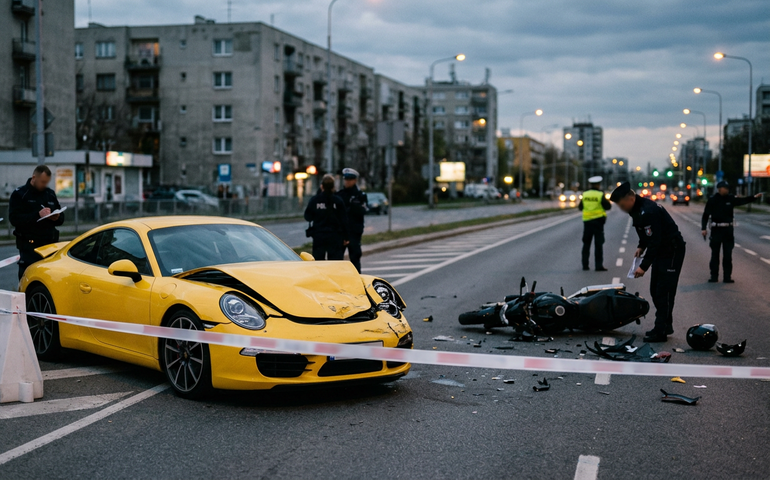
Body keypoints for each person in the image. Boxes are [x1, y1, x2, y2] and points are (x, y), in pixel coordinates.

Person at [610, 181, 685, 342]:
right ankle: (666, 325)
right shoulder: (636, 209)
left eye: (622, 205)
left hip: (672, 251)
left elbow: (655, 241)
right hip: (661, 251)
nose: (622, 209)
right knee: (655, 290)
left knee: (663, 292)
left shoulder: (648, 211)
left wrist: (643, 267)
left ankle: (660, 331)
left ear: (630, 198)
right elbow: (646, 233)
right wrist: (641, 246)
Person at [9, 165, 65, 279]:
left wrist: (56, 217)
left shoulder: (49, 193)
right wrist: (37, 215)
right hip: (29, 246)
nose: (44, 185)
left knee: (49, 278)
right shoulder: (20, 194)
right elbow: (14, 219)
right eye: (42, 182)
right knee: (29, 277)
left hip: (49, 244)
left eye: (46, 182)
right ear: (34, 178)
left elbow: (61, 217)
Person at [701, 181, 762, 283]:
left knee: (728, 255)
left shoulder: (730, 198)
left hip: (728, 231)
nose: (727, 189)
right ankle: (714, 276)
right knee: (715, 254)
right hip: (716, 230)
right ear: (720, 188)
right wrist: (703, 228)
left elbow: (742, 201)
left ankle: (727, 277)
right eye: (725, 188)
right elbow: (705, 215)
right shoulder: (712, 200)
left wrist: (754, 197)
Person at [304, 174, 349, 261]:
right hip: (335, 235)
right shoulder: (338, 201)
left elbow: (308, 217)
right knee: (335, 262)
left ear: (322, 186)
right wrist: (346, 237)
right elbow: (344, 220)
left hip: (319, 235)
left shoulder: (315, 200)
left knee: (318, 261)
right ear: (333, 186)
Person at [336, 168, 368, 272]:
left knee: (355, 258)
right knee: (337, 259)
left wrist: (352, 207)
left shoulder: (360, 195)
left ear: (355, 180)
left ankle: (357, 279)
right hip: (341, 232)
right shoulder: (339, 195)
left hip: (354, 231)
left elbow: (363, 211)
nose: (347, 182)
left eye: (350, 179)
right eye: (346, 179)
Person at [578, 175, 611, 271]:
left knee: (586, 244)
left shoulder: (585, 194)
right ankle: (598, 266)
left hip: (587, 222)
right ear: (598, 185)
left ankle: (585, 265)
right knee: (598, 244)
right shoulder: (600, 194)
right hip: (598, 222)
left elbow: (580, 207)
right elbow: (608, 206)